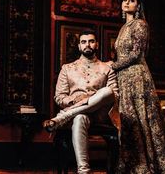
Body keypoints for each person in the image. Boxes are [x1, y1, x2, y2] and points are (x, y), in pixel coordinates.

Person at [110, 0, 165, 174]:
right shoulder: (123, 27)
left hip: (137, 77)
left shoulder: (140, 24)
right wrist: (117, 69)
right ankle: (132, 163)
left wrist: (114, 65)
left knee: (142, 118)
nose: (127, 2)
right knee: (128, 119)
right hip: (124, 77)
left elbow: (136, 54)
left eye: (132, 0)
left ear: (138, 6)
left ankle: (148, 164)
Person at [43, 30, 119, 174]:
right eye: (83, 42)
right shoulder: (67, 68)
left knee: (108, 92)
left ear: (96, 44)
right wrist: (75, 100)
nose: (87, 45)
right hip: (79, 114)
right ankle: (84, 170)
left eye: (91, 41)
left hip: (100, 113)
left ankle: (62, 117)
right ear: (79, 46)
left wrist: (94, 99)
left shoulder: (107, 67)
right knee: (79, 118)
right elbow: (59, 97)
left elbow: (114, 95)